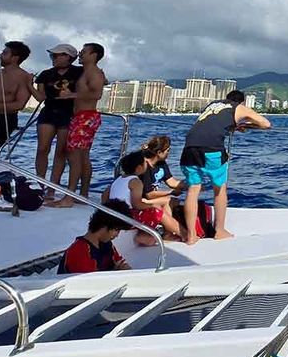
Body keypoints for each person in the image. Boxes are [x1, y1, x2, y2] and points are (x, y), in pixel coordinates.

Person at [180, 90, 270, 245]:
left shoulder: (213, 105)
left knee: (193, 190)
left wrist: (234, 125)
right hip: (212, 149)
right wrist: (245, 124)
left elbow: (213, 124)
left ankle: (191, 235)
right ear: (242, 102)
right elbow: (266, 124)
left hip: (189, 146)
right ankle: (219, 231)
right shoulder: (239, 107)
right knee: (219, 189)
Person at [51, 42, 106, 206]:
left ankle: (69, 197)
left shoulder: (94, 72)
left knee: (74, 156)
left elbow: (97, 94)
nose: (80, 54)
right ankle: (83, 194)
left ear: (94, 55)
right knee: (83, 157)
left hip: (85, 118)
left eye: (84, 52)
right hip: (84, 117)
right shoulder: (88, 72)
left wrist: (71, 95)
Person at [107, 149, 183, 246]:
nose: (147, 164)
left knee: (152, 211)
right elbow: (137, 204)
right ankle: (183, 234)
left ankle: (146, 236)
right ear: (139, 168)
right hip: (126, 217)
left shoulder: (118, 179)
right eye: (145, 163)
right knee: (158, 212)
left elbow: (105, 195)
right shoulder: (136, 181)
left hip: (115, 214)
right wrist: (153, 206)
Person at [32, 44, 83, 188]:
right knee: (42, 149)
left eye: (55, 55)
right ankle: (40, 183)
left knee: (61, 151)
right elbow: (40, 97)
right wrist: (29, 84)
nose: (52, 58)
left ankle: (53, 186)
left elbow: (94, 87)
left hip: (69, 113)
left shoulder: (80, 72)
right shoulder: (45, 74)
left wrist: (72, 95)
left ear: (67, 57)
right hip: (49, 112)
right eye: (52, 56)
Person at [57, 199, 133, 273]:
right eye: (117, 230)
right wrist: (116, 271)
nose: (117, 235)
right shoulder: (80, 251)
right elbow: (88, 280)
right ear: (104, 225)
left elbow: (120, 264)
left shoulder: (107, 245)